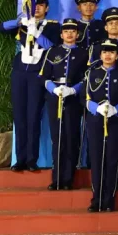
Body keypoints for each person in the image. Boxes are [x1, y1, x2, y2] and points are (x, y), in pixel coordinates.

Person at [0, 0, 60, 171]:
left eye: (41, 5)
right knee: (19, 116)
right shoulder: (22, 25)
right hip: (19, 73)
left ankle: (32, 159)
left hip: (37, 74)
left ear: (47, 8)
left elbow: (51, 47)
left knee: (33, 116)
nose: (37, 8)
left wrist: (35, 32)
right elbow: (0, 28)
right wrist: (19, 22)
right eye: (33, 5)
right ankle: (20, 159)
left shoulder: (53, 27)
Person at [40, 19, 88, 190]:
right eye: (66, 31)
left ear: (77, 34)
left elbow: (86, 78)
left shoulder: (84, 53)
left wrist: (73, 90)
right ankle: (57, 178)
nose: (69, 34)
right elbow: (44, 76)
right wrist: (54, 89)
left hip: (73, 98)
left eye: (73, 31)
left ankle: (68, 179)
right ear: (61, 34)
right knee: (57, 138)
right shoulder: (52, 52)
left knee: (71, 136)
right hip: (55, 97)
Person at [83, 39, 118, 212]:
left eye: (111, 52)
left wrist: (117, 110)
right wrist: (96, 108)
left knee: (112, 160)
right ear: (100, 54)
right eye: (104, 52)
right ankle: (96, 199)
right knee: (96, 159)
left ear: (117, 55)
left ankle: (109, 199)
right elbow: (85, 97)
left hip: (116, 121)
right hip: (95, 121)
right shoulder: (91, 74)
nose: (108, 55)